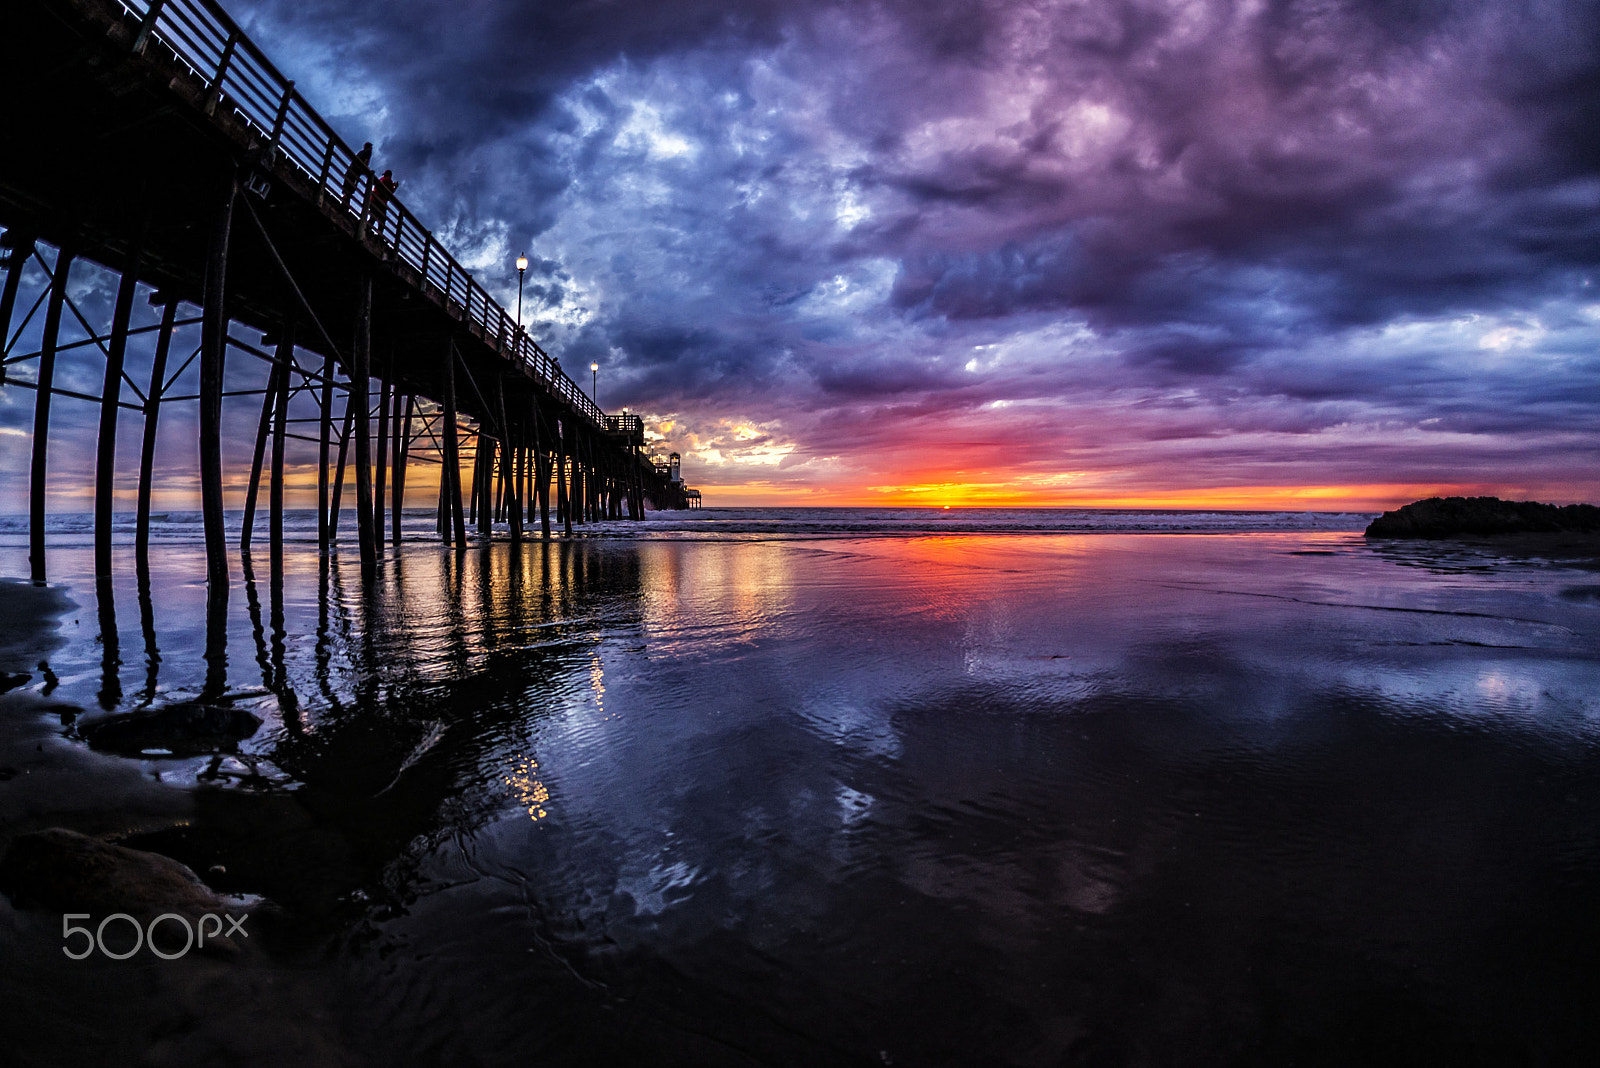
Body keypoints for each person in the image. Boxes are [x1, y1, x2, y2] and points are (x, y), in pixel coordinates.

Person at [341, 142, 372, 211]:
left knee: (348, 189)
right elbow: (365, 163)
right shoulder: (368, 152)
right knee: (351, 189)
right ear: (370, 147)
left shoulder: (360, 153)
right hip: (355, 173)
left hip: (350, 171)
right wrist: (367, 172)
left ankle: (345, 205)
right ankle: (344, 205)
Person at [368, 169, 400, 235]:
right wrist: (395, 187)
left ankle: (367, 228)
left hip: (373, 199)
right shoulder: (389, 180)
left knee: (373, 216)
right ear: (390, 176)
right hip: (381, 202)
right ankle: (379, 235)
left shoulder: (381, 179)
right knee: (382, 219)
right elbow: (390, 193)